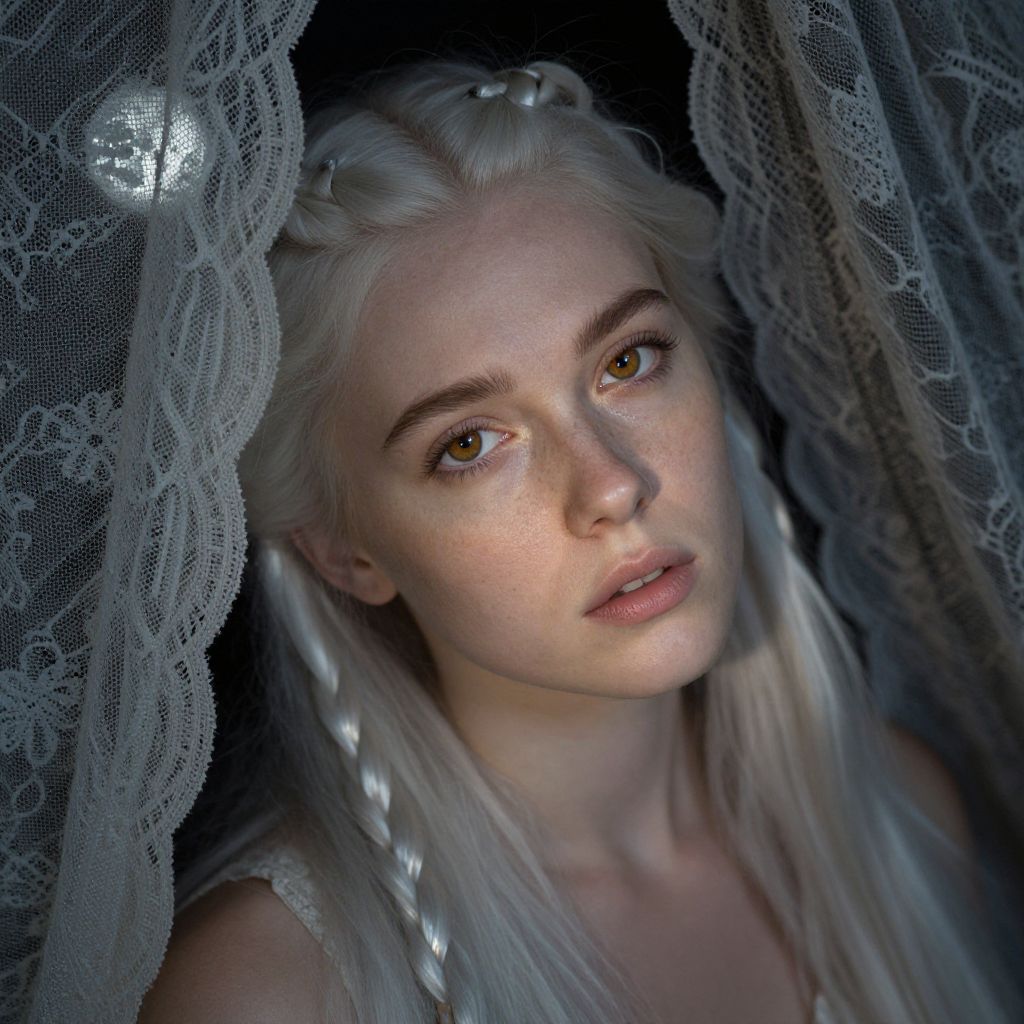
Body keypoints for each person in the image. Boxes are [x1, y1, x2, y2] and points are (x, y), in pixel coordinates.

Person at [138, 59, 1018, 1024]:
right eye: (469, 445)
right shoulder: (270, 993)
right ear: (343, 551)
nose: (613, 486)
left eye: (627, 361)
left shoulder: (903, 817)